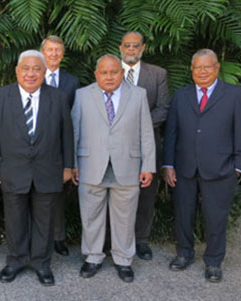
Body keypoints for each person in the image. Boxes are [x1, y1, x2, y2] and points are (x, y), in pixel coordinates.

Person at [0, 50, 74, 286]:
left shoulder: (59, 97)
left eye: (36, 69)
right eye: (26, 68)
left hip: (48, 170)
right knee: (15, 218)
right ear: (17, 71)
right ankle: (15, 260)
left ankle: (42, 263)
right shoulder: (0, 97)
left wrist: (68, 166)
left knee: (45, 220)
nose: (31, 74)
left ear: (44, 72)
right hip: (13, 170)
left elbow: (67, 135)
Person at [163, 49, 241, 283]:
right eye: (197, 67)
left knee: (216, 218)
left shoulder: (234, 95)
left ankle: (213, 262)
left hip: (221, 169)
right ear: (191, 70)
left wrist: (238, 168)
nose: (202, 71)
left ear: (217, 68)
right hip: (184, 168)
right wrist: (168, 164)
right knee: (183, 214)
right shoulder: (181, 95)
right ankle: (184, 253)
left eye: (207, 67)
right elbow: (171, 132)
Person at [71, 54, 155, 283]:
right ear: (96, 74)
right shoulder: (82, 95)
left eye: (113, 72)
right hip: (90, 166)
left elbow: (146, 133)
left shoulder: (138, 95)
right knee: (90, 215)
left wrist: (148, 165)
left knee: (125, 218)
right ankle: (93, 257)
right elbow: (74, 132)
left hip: (127, 166)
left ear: (121, 73)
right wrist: (73, 165)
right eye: (104, 72)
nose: (109, 76)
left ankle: (123, 260)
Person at [119, 31, 170, 260]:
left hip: (147, 145)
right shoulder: (110, 70)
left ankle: (141, 240)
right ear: (120, 48)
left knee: (146, 194)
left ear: (143, 48)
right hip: (116, 147)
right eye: (127, 45)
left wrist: (137, 126)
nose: (131, 49)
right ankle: (117, 240)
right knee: (117, 193)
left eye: (135, 45)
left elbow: (162, 109)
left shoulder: (158, 74)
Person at [39, 35, 80, 256]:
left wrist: (70, 158)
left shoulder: (71, 82)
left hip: (60, 147)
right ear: (42, 52)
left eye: (58, 50)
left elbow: (75, 119)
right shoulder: (32, 75)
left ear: (62, 54)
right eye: (50, 50)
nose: (54, 54)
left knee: (57, 195)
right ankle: (37, 237)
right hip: (35, 147)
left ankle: (58, 238)